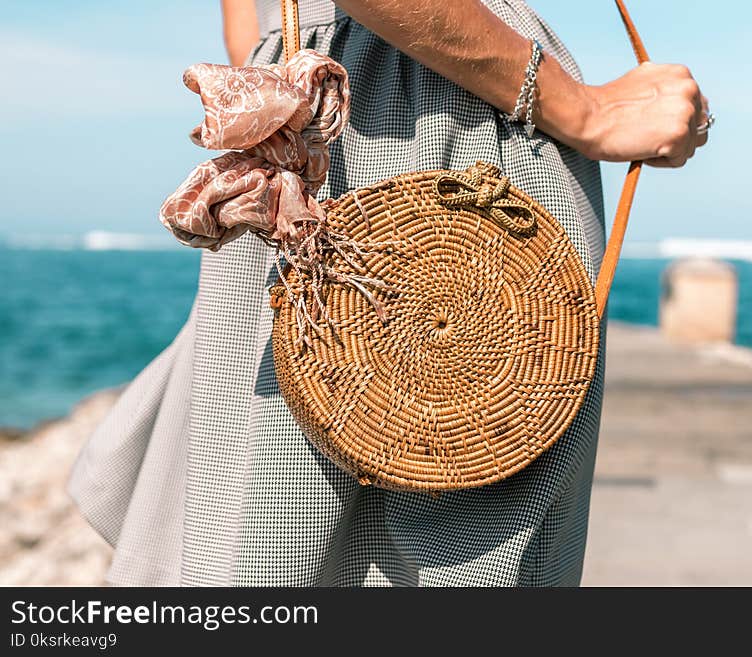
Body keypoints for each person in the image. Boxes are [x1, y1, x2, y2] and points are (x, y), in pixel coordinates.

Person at [69, 0, 708, 586]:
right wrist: (583, 110)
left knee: (263, 542)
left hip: (320, 118)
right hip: (448, 113)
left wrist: (277, 105)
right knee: (467, 556)